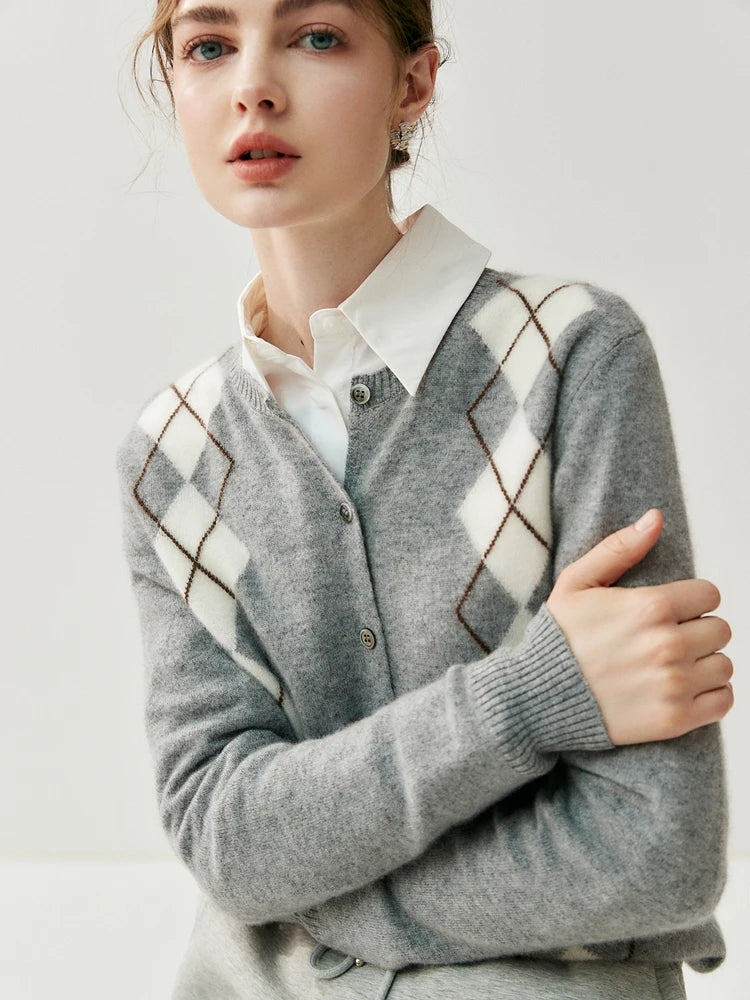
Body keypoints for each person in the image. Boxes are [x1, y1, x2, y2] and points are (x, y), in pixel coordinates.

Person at [118, 2, 734, 998]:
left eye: (316, 35)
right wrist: (528, 697)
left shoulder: (572, 358)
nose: (254, 86)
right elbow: (226, 842)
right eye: (209, 45)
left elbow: (653, 853)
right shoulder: (172, 456)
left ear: (413, 82)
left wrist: (305, 899)